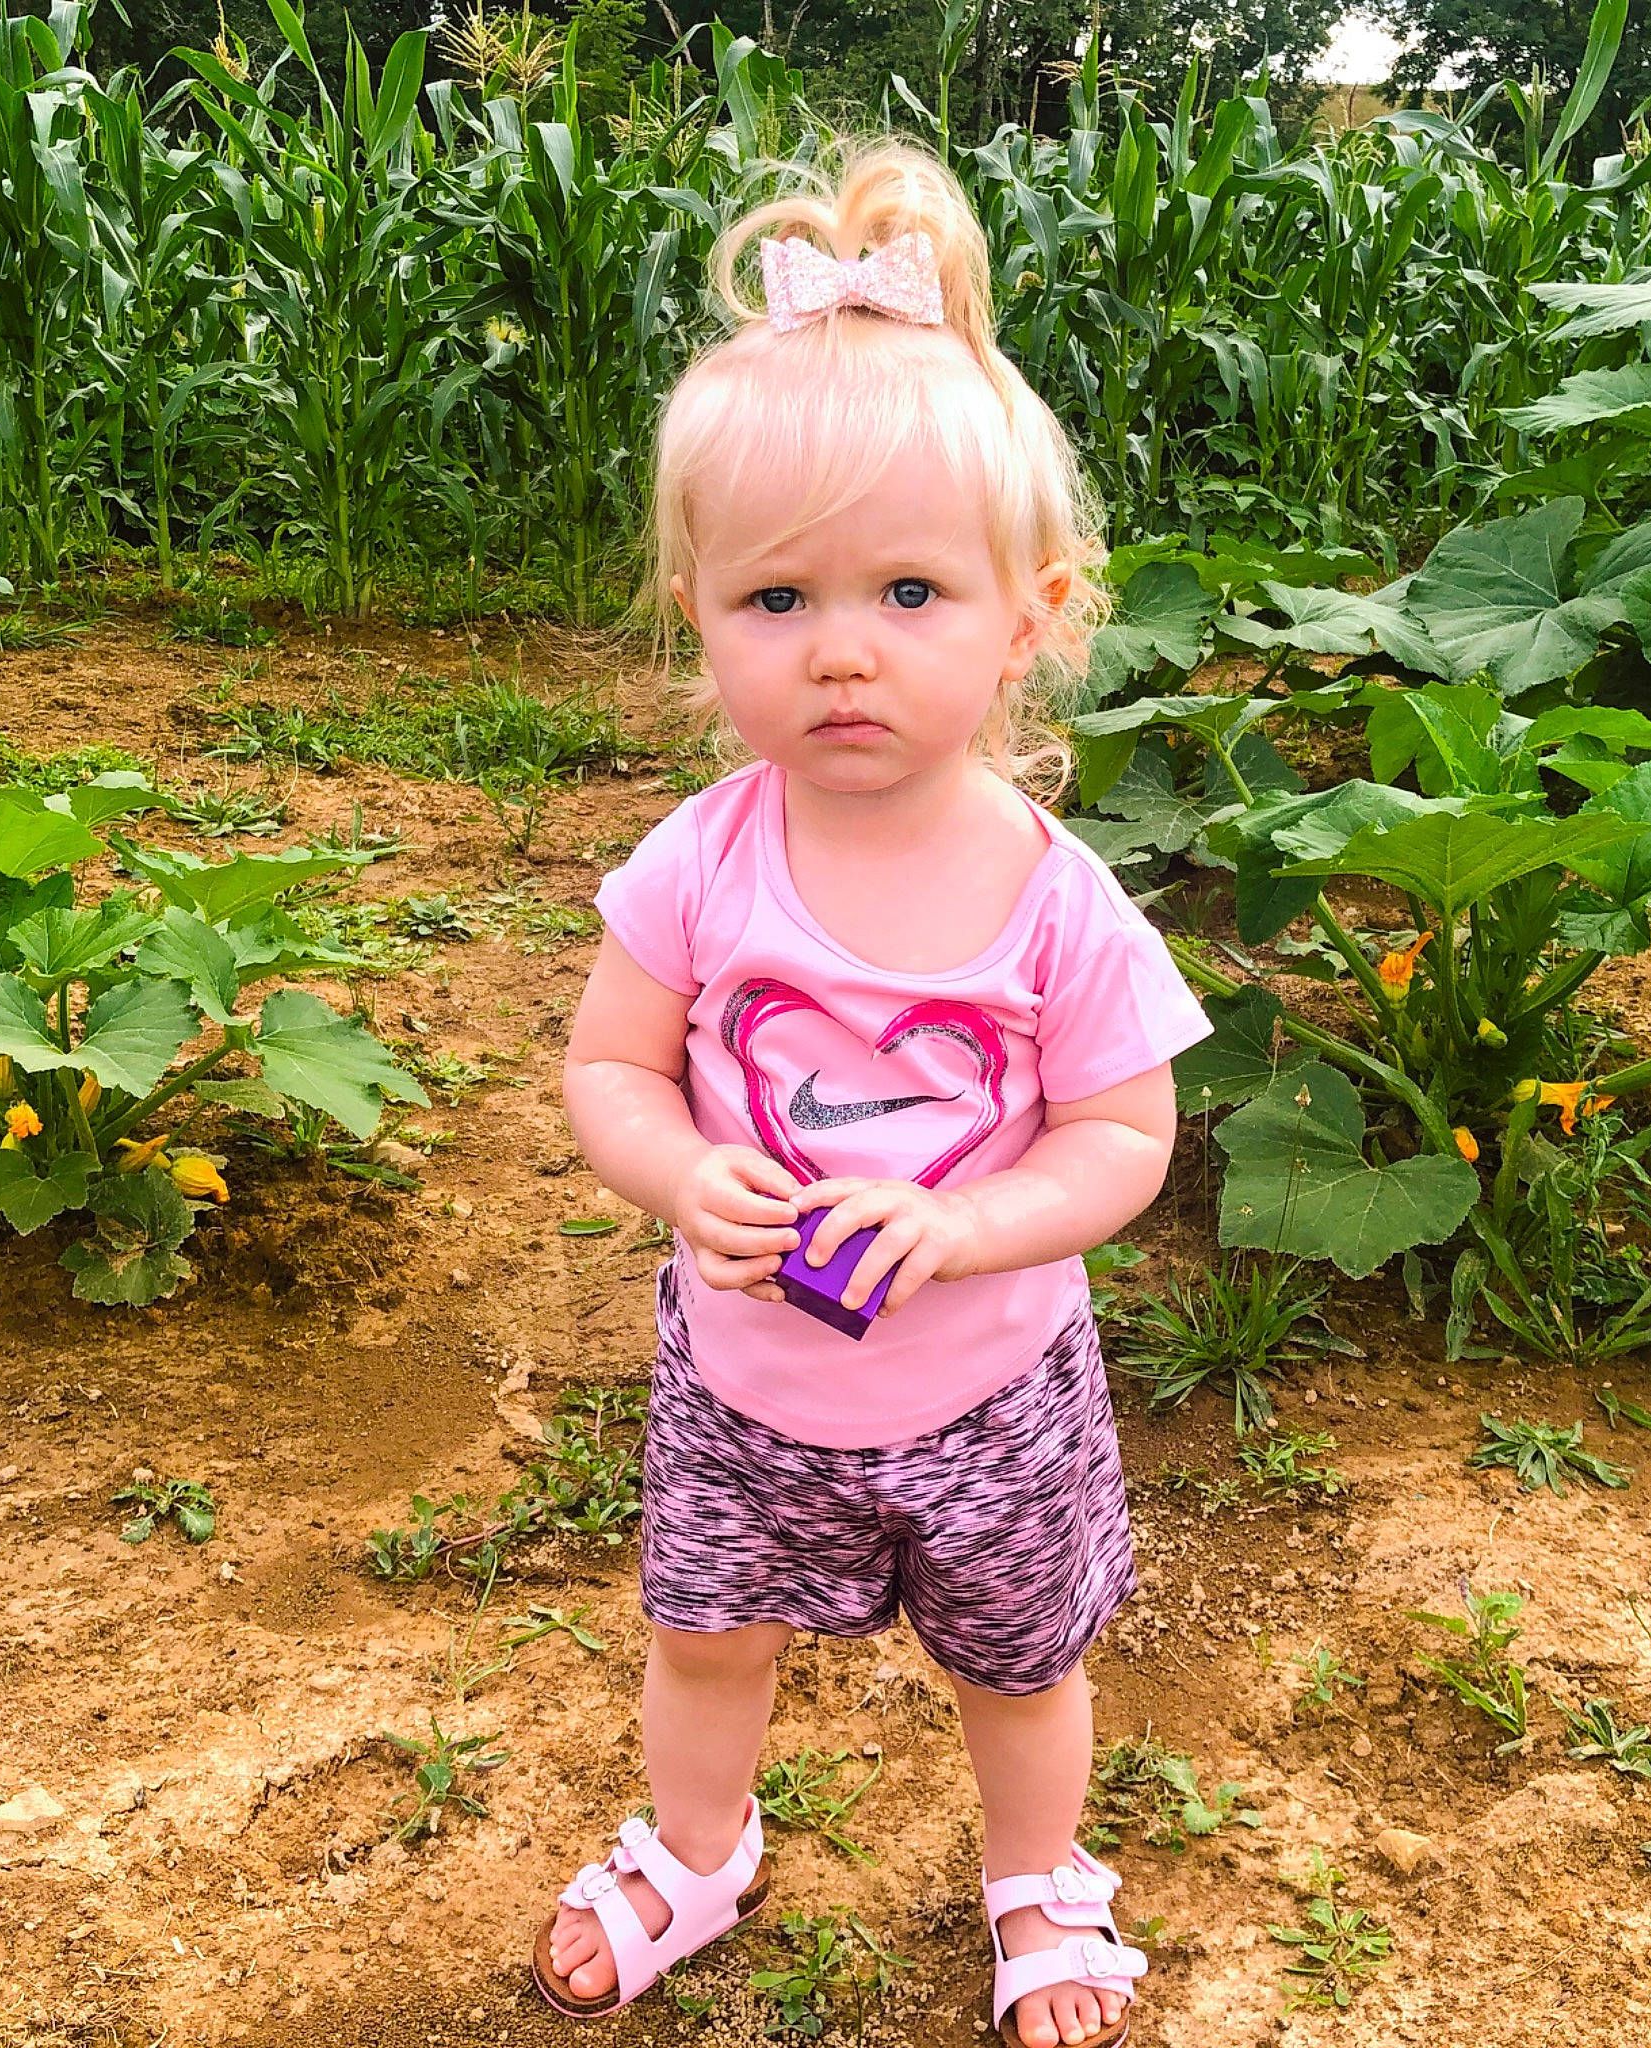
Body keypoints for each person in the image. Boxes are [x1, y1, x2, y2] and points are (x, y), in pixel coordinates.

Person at [535, 138, 1212, 2048]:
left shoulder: (1055, 900)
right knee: (702, 1634)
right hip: (743, 1381)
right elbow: (609, 1063)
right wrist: (679, 1177)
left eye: (910, 590)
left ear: (1035, 611)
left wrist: (960, 1221)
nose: (839, 648)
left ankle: (1033, 1884)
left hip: (991, 1391)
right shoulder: (699, 862)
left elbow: (1121, 1141)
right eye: (775, 599)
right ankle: (696, 1850)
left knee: (1020, 1667)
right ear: (696, 612)